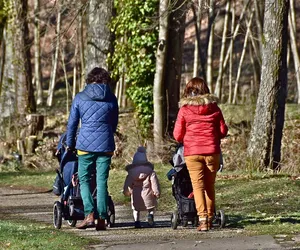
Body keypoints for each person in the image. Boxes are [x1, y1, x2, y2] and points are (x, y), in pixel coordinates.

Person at [66, 67, 119, 231]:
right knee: (102, 181)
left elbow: (72, 124)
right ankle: (102, 218)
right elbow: (114, 122)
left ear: (89, 80)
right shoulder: (111, 97)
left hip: (85, 146)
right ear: (105, 81)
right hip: (105, 145)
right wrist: (108, 134)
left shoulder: (80, 97)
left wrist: (70, 144)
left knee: (84, 180)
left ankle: (89, 215)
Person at [173, 77, 228, 232]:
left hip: (192, 153)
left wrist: (189, 137)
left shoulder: (184, 110)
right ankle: (210, 218)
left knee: (198, 186)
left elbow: (177, 135)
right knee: (209, 186)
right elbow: (223, 131)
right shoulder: (215, 108)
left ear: (188, 91)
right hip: (212, 152)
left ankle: (203, 220)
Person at [123, 146, 161, 228]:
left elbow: (128, 184)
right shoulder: (150, 172)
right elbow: (154, 183)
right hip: (148, 193)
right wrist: (156, 192)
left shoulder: (131, 174)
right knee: (150, 207)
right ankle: (150, 216)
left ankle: (137, 221)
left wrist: (127, 192)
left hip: (136, 194)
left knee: (136, 209)